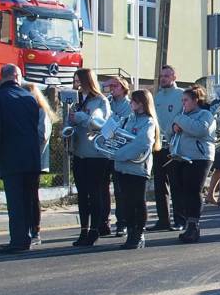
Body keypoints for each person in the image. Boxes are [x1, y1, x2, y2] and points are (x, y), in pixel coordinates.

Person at [0, 64, 42, 254]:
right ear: (17, 77)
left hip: (11, 157)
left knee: (16, 201)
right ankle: (29, 234)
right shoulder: (30, 97)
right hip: (32, 157)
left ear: (3, 77)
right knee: (29, 199)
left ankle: (19, 239)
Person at [109, 89, 160, 249]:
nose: (131, 103)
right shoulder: (127, 119)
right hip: (122, 168)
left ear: (143, 103)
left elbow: (142, 143)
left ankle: (138, 234)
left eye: (134, 101)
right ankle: (131, 232)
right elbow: (116, 136)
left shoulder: (149, 122)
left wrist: (120, 154)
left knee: (138, 202)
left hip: (138, 169)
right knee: (126, 203)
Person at [66, 68, 111, 247]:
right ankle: (83, 230)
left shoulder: (101, 101)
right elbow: (74, 121)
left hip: (96, 154)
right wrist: (69, 122)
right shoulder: (77, 100)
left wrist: (79, 117)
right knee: (82, 195)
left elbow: (100, 123)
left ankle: (95, 230)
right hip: (79, 152)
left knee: (95, 193)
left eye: (79, 80)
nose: (76, 84)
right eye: (75, 80)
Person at [170, 87, 217, 243]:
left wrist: (179, 120)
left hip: (200, 157)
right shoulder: (183, 116)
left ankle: (193, 226)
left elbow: (200, 130)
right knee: (182, 191)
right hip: (182, 156)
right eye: (182, 100)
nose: (183, 103)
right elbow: (171, 130)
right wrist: (173, 127)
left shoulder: (205, 115)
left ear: (196, 100)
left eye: (186, 100)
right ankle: (188, 223)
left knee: (193, 190)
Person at [151, 65, 184, 231]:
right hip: (159, 146)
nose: (163, 78)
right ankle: (163, 219)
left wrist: (173, 128)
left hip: (174, 146)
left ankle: (180, 220)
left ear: (174, 77)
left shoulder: (181, 95)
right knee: (159, 184)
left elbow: (183, 116)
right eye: (161, 75)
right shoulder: (157, 96)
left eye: (166, 75)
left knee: (176, 183)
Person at [26, 83, 57, 246]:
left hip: (35, 159)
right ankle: (28, 229)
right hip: (26, 159)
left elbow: (42, 135)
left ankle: (36, 230)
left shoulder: (41, 111)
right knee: (27, 195)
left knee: (32, 196)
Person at [103, 76, 133, 237]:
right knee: (103, 189)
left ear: (123, 87)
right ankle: (104, 222)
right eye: (109, 86)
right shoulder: (106, 102)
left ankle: (122, 223)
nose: (111, 89)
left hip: (119, 150)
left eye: (114, 86)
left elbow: (124, 125)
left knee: (120, 191)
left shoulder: (129, 105)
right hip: (104, 150)